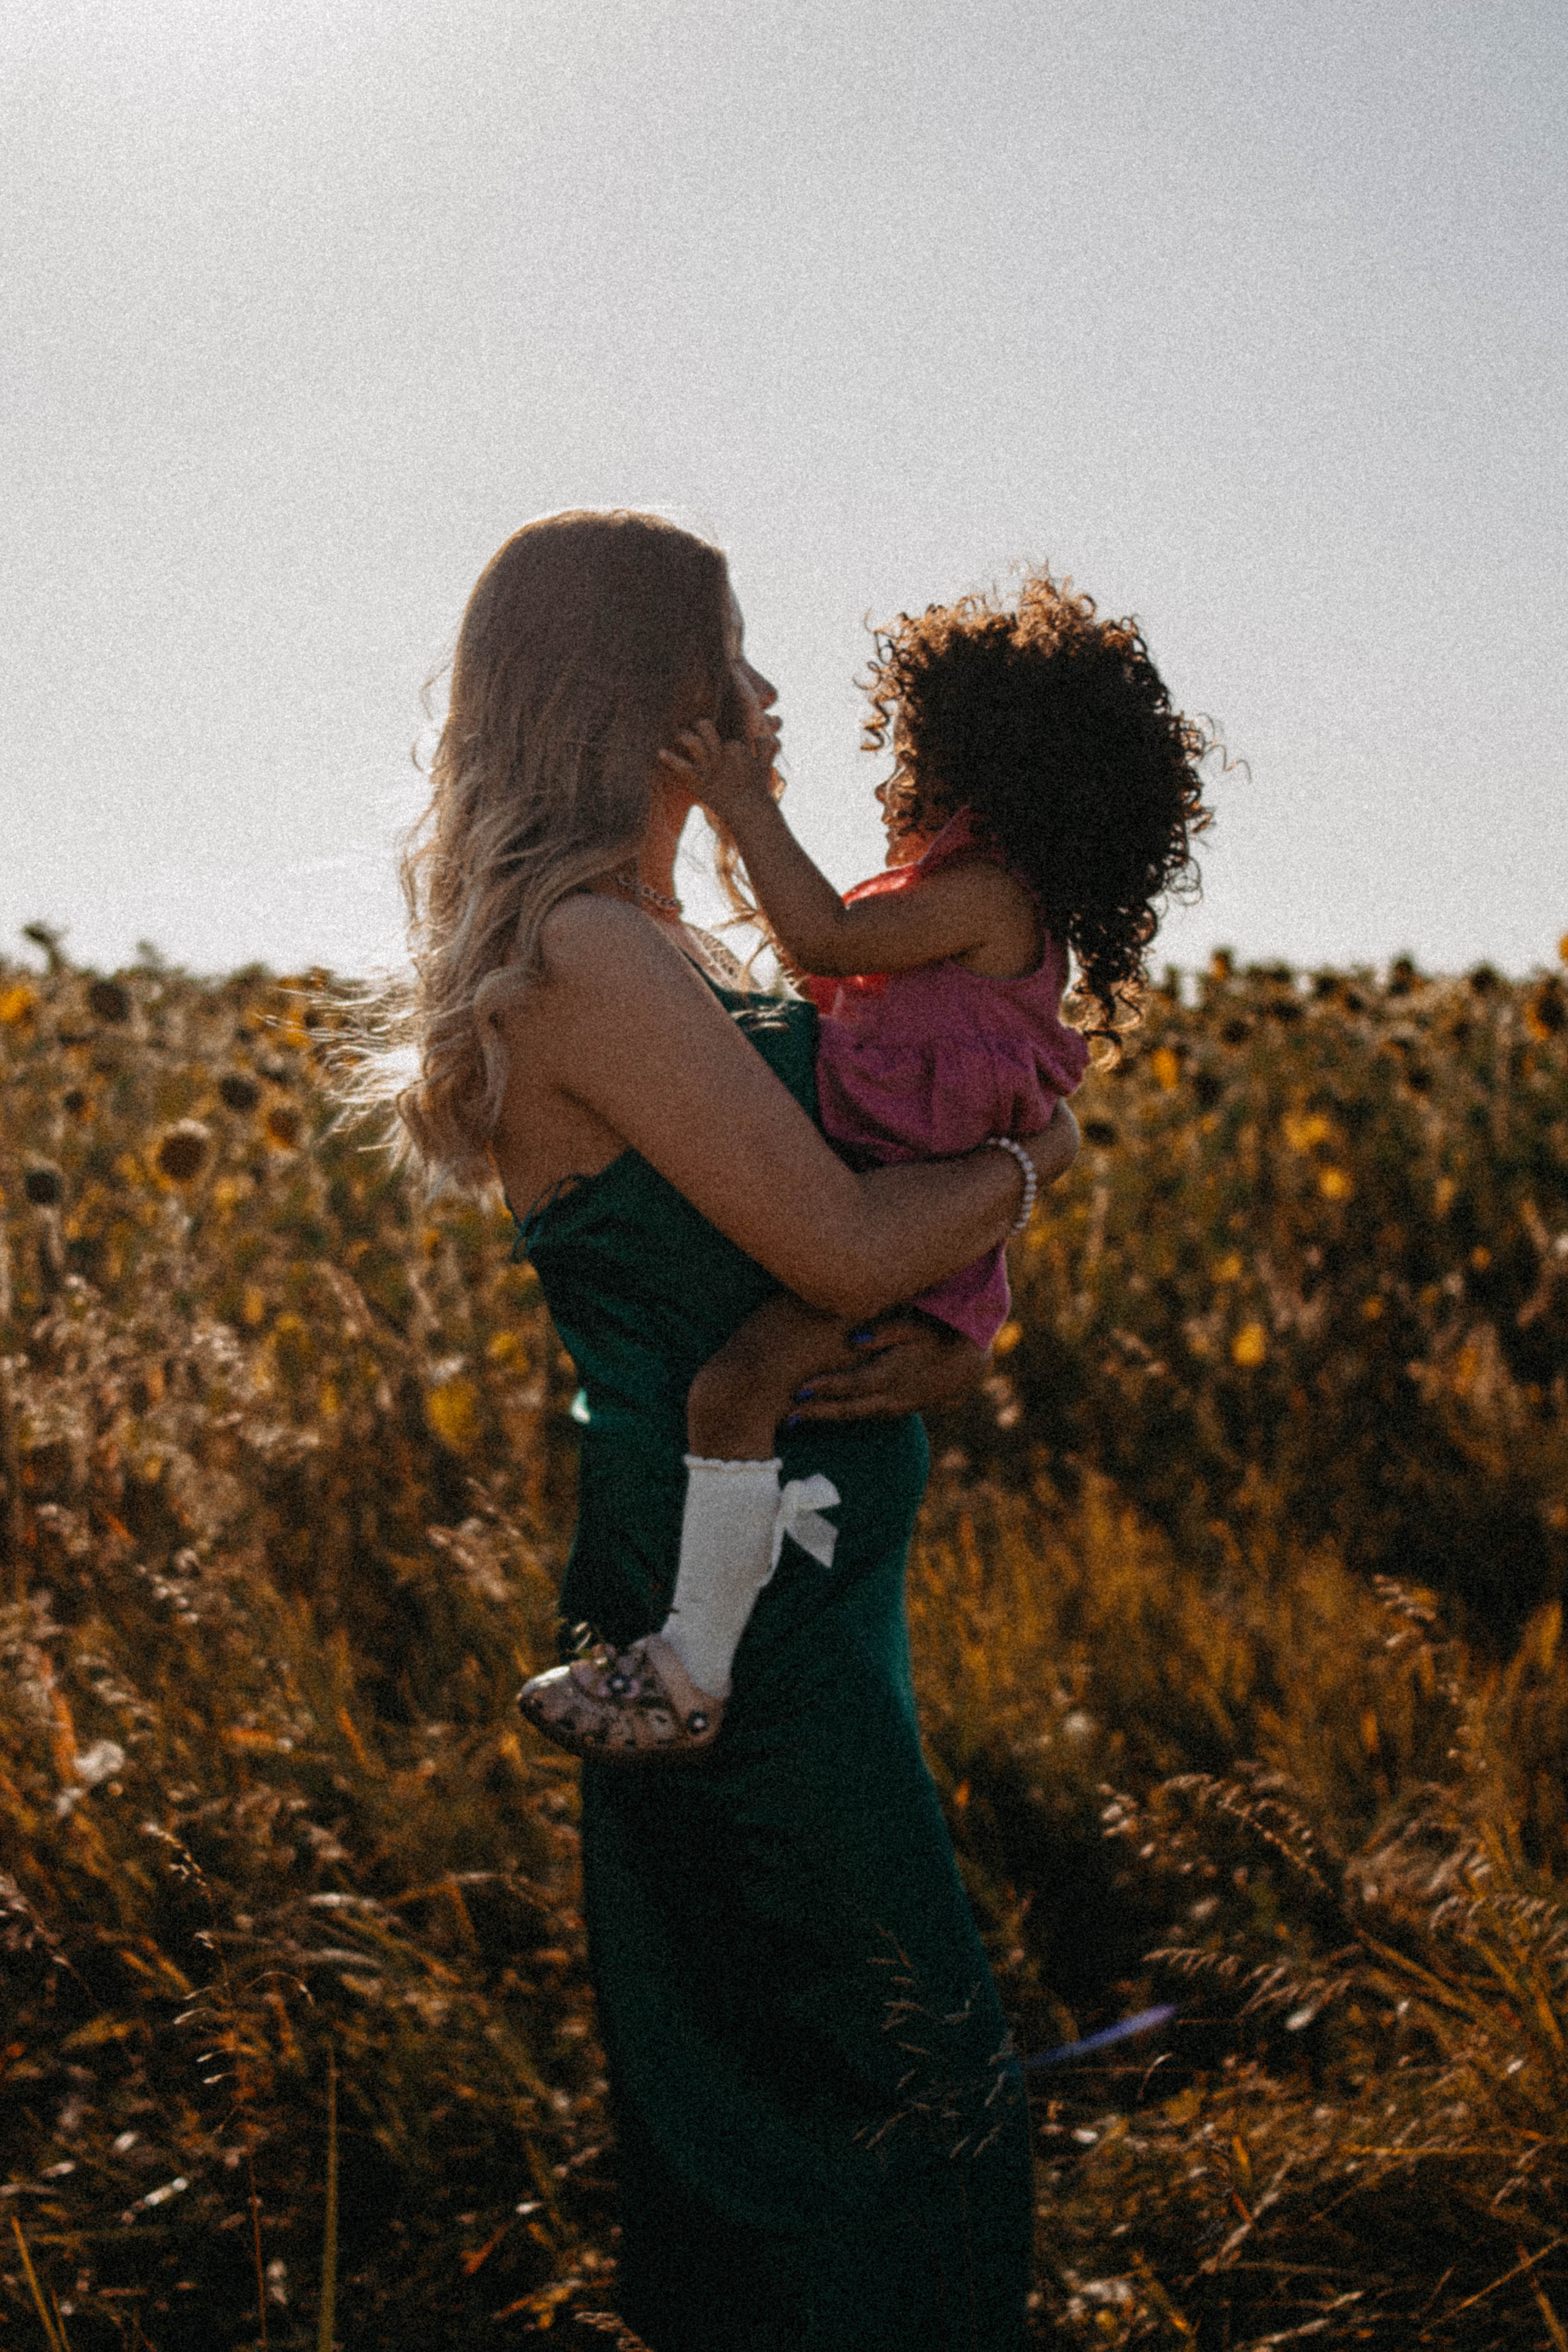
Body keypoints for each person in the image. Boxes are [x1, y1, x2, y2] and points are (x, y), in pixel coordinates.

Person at [391, 508, 1081, 2349]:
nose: (772, 697)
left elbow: (859, 1261)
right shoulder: (593, 953)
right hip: (734, 1622)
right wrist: (1036, 1161)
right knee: (875, 2078)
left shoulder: (674, 947)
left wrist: (935, 1339)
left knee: (828, 2074)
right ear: (643, 694)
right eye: (735, 657)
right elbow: (849, 1237)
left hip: (806, 1591)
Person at [520, 565, 1212, 1765]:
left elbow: (825, 940)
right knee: (734, 1396)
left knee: (730, 1396)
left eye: (918, 745)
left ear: (982, 763)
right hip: (903, 1224)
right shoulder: (968, 903)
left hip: (897, 1234)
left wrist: (740, 804)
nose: (900, 768)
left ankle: (688, 1671)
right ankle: (688, 1659)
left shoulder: (986, 897)